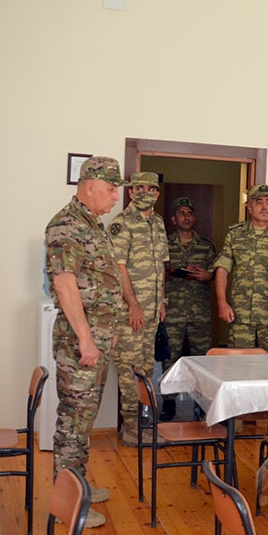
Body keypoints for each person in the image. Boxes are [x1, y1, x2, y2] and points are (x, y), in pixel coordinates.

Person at [44, 156, 125, 528]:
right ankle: (70, 504)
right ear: (90, 186)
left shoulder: (91, 224)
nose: (115, 198)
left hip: (97, 340)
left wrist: (104, 333)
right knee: (73, 423)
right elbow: (65, 285)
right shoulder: (67, 225)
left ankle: (79, 485)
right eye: (111, 190)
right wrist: (87, 340)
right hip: (81, 345)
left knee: (85, 418)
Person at [109, 172, 169, 446]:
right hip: (129, 314)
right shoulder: (122, 223)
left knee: (146, 369)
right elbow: (118, 267)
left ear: (157, 193)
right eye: (140, 188)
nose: (147, 192)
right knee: (130, 370)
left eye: (152, 189)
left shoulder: (158, 223)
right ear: (131, 192)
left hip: (152, 311)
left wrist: (162, 301)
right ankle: (131, 428)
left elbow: (161, 266)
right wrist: (133, 304)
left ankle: (144, 425)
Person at [213, 184, 268, 353]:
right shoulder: (235, 235)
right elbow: (222, 270)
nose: (264, 206)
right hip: (241, 317)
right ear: (249, 207)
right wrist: (222, 303)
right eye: (259, 202)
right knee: (240, 365)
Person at [163, 197, 216, 418]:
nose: (186, 217)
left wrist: (207, 275)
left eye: (190, 213)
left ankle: (200, 404)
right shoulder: (164, 243)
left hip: (199, 313)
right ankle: (168, 403)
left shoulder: (206, 245)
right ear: (173, 219)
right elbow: (157, 272)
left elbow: (216, 272)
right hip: (172, 311)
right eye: (181, 213)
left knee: (202, 360)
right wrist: (171, 273)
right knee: (170, 358)